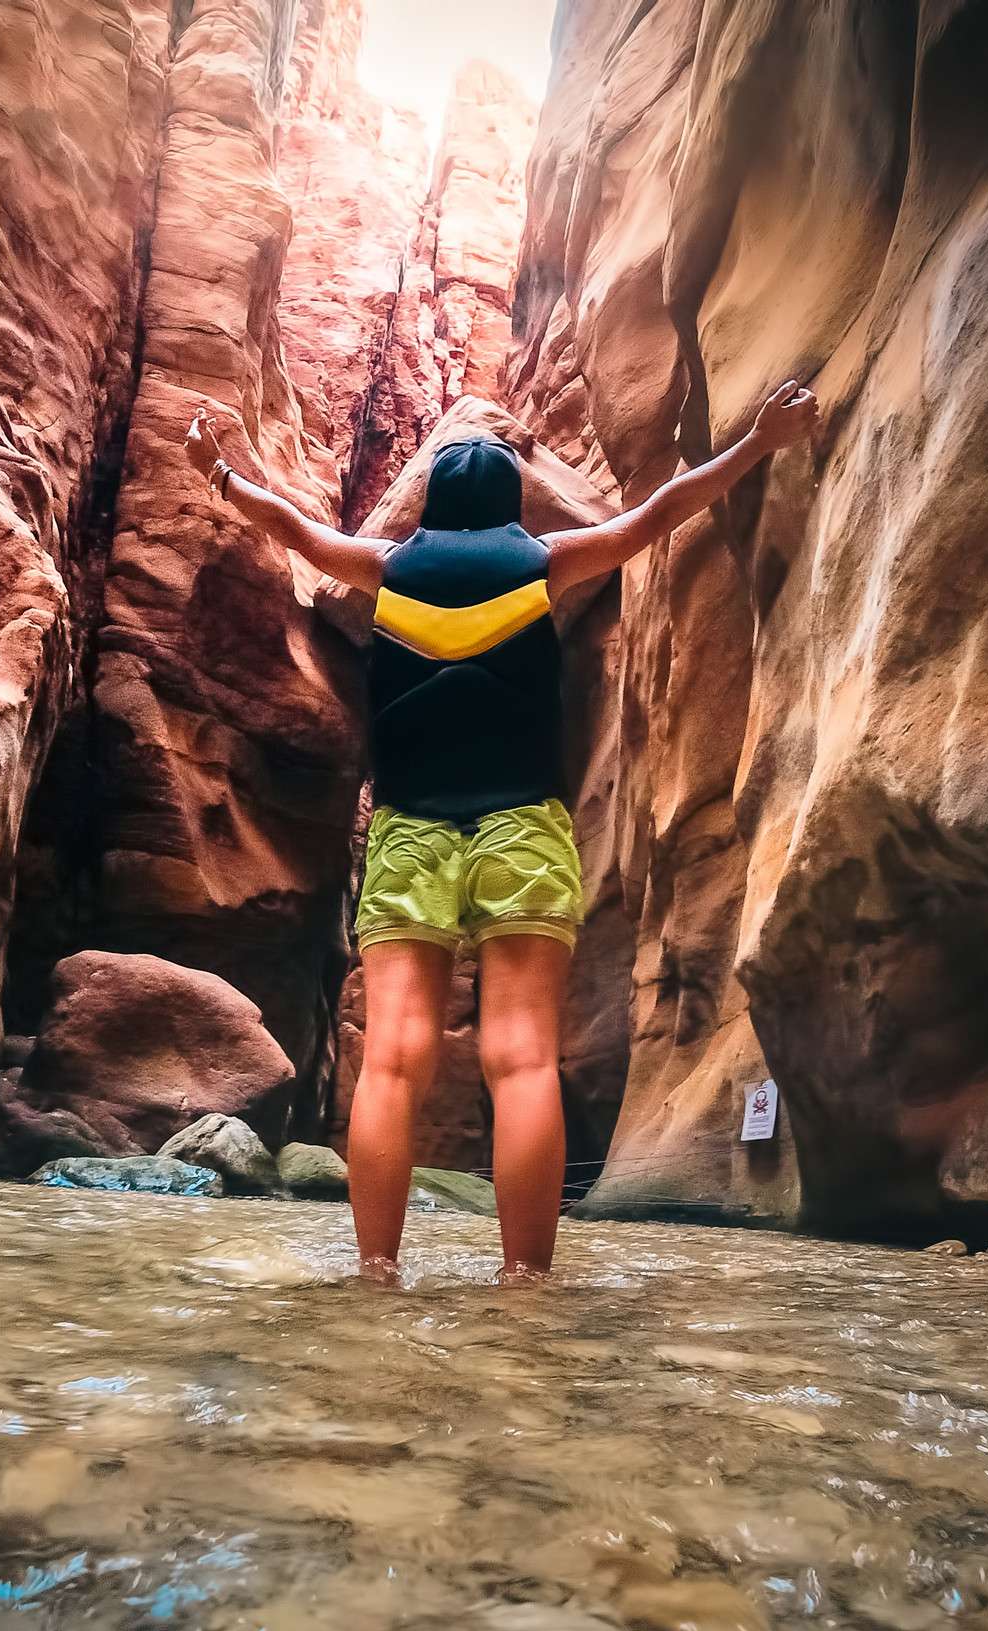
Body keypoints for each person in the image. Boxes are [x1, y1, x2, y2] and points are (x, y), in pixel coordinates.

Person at [182, 381, 820, 1279]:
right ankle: (523, 1280)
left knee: (393, 1063)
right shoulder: (545, 558)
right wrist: (758, 439)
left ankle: (375, 1268)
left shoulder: (385, 566)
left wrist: (222, 470)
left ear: (433, 502)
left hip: (409, 832)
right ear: (508, 503)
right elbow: (657, 515)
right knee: (519, 1060)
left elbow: (289, 528)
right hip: (520, 828)